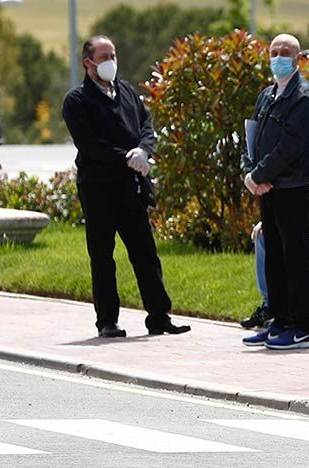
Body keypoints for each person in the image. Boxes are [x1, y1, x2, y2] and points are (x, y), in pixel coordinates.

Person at [61, 35, 190, 338]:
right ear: (88, 63)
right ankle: (107, 320)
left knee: (145, 251)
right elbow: (90, 144)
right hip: (99, 188)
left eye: (113, 55)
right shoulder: (77, 100)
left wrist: (144, 151)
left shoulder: (127, 92)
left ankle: (159, 316)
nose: (110, 62)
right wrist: (126, 159)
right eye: (104, 57)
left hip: (131, 186)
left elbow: (147, 126)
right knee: (103, 255)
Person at [241, 33, 309, 350]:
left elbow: (290, 146)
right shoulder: (267, 95)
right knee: (273, 254)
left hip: (291, 186)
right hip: (267, 187)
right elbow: (254, 138)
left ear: (298, 57)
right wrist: (250, 174)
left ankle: (301, 327)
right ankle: (279, 320)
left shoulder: (304, 97)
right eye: (274, 52)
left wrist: (260, 174)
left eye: (285, 52)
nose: (279, 57)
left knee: (294, 256)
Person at [241, 114, 309, 329]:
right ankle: (270, 305)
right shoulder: (302, 158)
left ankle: (302, 309)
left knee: (301, 243)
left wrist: (294, 219)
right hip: (304, 219)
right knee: (265, 236)